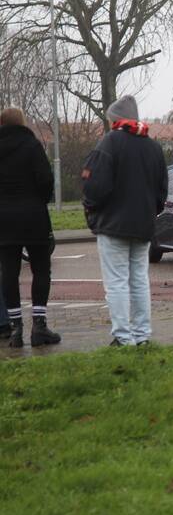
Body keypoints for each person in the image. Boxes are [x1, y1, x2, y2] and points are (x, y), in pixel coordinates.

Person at [82, 95, 168, 347]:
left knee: (117, 282)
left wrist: (93, 210)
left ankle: (122, 336)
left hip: (113, 225)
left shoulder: (109, 143)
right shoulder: (153, 147)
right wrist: (150, 211)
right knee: (139, 280)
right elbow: (162, 189)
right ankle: (142, 335)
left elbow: (94, 188)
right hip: (143, 226)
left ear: (115, 120)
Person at [0, 107, 61, 348]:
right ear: (22, 122)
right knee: (41, 269)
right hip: (34, 216)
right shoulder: (32, 145)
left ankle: (16, 329)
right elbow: (46, 179)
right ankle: (39, 325)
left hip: (4, 219)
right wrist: (39, 200)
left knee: (9, 272)